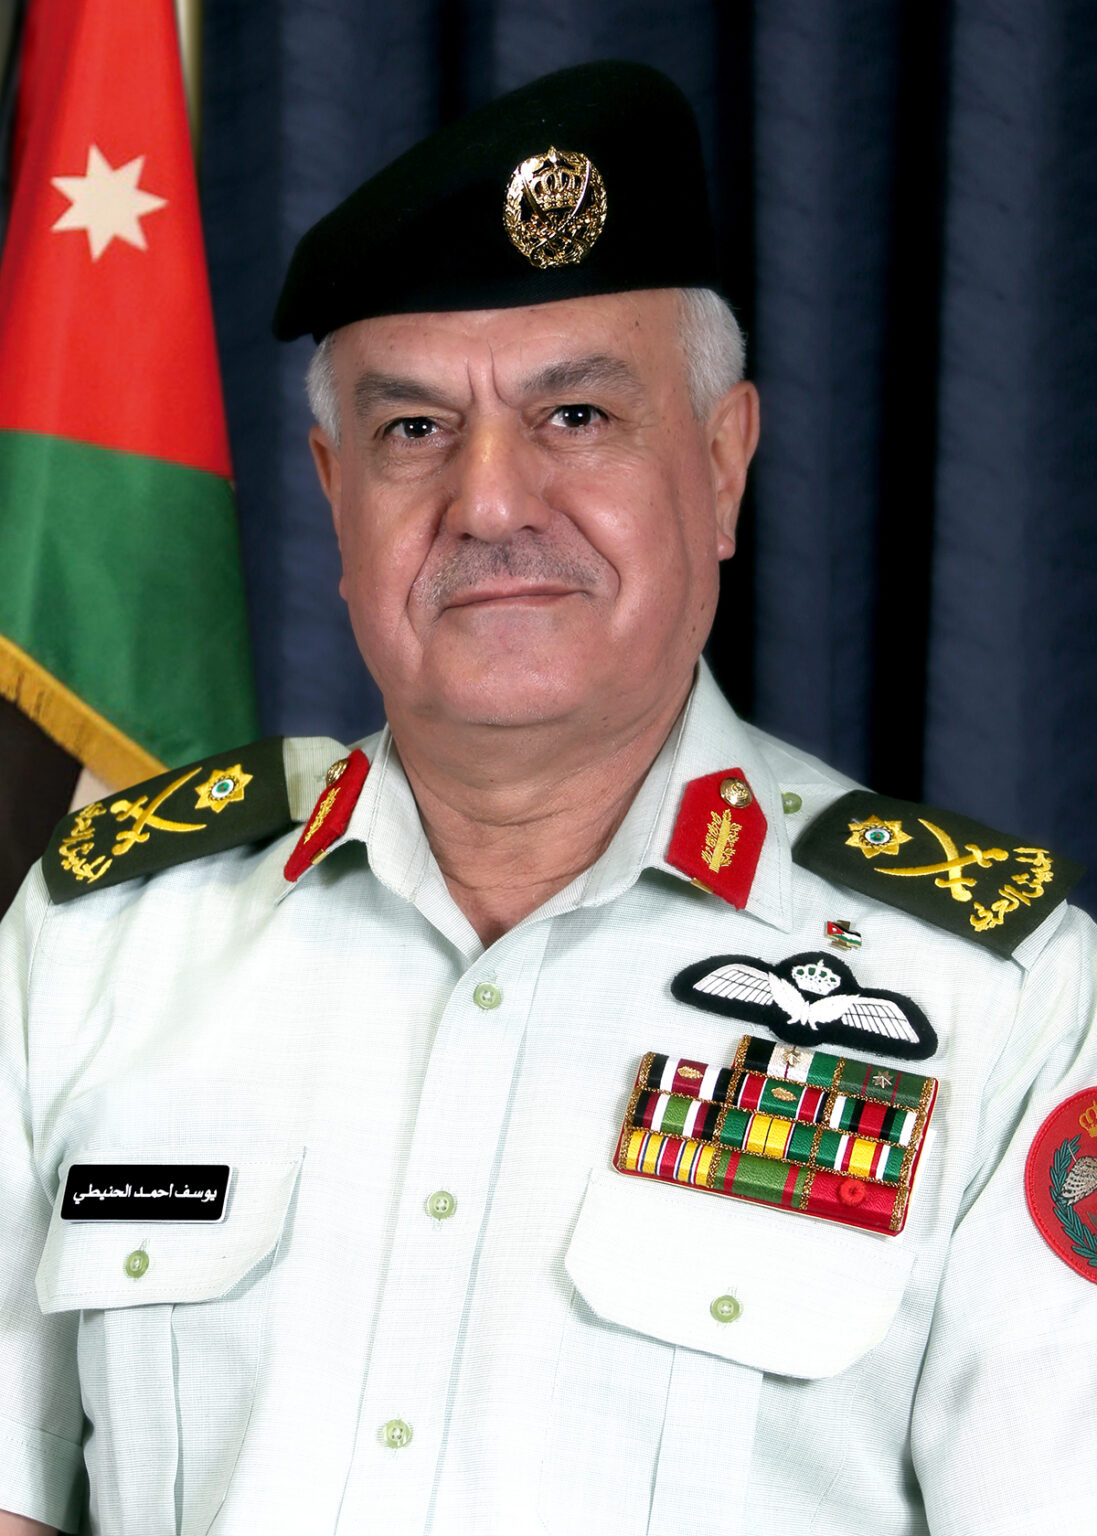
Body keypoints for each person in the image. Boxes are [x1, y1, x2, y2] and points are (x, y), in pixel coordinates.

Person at [1, 61, 1094, 1536]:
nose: (492, 501)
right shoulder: (97, 940)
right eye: (412, 430)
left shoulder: (1001, 1001)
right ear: (332, 491)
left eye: (575, 414)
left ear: (723, 462)